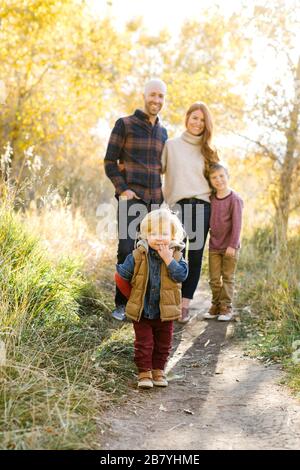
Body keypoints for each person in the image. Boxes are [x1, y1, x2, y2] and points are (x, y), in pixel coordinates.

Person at [104, 79, 168, 321]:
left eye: (161, 96)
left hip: (155, 204)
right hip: (132, 200)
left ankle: (143, 304)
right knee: (126, 249)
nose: (157, 100)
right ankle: (121, 304)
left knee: (151, 253)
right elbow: (109, 161)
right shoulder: (125, 124)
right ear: (144, 95)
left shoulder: (163, 132)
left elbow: (161, 167)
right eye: (153, 95)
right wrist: (123, 189)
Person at [116, 208, 188, 389]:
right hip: (142, 310)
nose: (159, 237)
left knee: (163, 344)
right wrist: (130, 297)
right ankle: (144, 373)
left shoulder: (177, 255)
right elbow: (121, 275)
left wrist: (168, 259)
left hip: (165, 311)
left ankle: (158, 371)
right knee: (144, 343)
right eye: (153, 233)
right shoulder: (139, 255)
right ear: (145, 235)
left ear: (172, 235)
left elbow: (181, 276)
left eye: (164, 233)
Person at [162, 102, 219, 323]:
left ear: (207, 124)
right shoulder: (171, 145)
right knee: (176, 254)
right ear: (187, 118)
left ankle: (185, 305)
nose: (198, 123)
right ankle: (173, 302)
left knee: (194, 256)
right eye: (194, 117)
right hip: (176, 207)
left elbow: (218, 182)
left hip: (202, 206)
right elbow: (155, 170)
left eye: (202, 120)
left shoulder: (210, 150)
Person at [203, 163, 243, 321]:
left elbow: (237, 224)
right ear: (210, 180)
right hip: (214, 246)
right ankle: (216, 304)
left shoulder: (235, 199)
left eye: (221, 176)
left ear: (228, 177)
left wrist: (232, 245)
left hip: (229, 247)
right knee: (213, 278)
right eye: (214, 177)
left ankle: (226, 307)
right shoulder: (211, 199)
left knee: (227, 277)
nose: (218, 180)